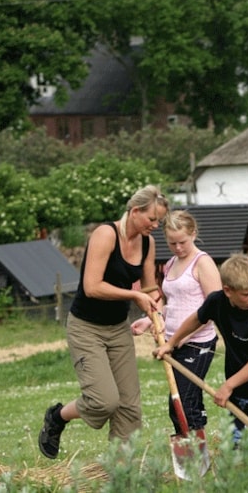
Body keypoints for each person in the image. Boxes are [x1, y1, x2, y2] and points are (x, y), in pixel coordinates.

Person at [39, 185, 169, 459]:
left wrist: (157, 308)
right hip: (87, 328)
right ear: (135, 212)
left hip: (118, 328)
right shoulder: (105, 235)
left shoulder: (147, 242)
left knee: (129, 407)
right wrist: (134, 295)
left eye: (159, 221)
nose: (156, 226)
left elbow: (148, 286)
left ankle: (120, 473)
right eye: (152, 219)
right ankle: (58, 417)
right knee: (104, 401)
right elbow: (92, 286)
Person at [154, 253, 248, 446]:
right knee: (238, 449)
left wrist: (228, 386)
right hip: (240, 391)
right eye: (246, 294)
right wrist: (171, 343)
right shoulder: (217, 301)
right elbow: (197, 318)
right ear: (228, 290)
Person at [130, 210, 221, 438]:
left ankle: (195, 454)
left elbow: (213, 308)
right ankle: (193, 454)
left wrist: (178, 338)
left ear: (193, 234)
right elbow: (173, 304)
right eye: (172, 243)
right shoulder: (170, 264)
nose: (178, 248)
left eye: (182, 242)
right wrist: (150, 320)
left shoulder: (203, 263)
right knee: (179, 400)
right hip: (172, 342)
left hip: (197, 342)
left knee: (184, 400)